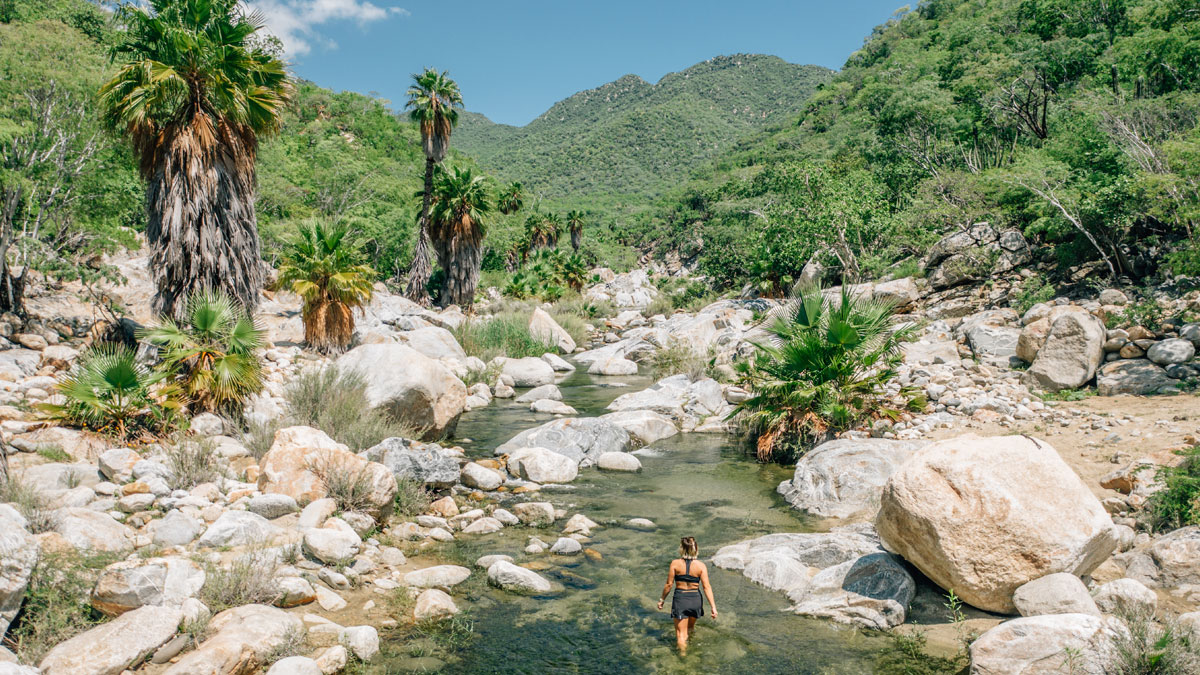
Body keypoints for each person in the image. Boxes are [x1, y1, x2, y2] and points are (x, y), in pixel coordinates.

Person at [657, 536, 718, 652]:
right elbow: (707, 587)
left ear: (681, 548)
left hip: (681, 600)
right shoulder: (701, 566)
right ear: (696, 549)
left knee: (681, 635)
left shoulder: (675, 564)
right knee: (690, 628)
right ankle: (692, 648)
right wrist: (713, 607)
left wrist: (662, 600)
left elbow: (669, 585)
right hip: (695, 600)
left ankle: (683, 660)